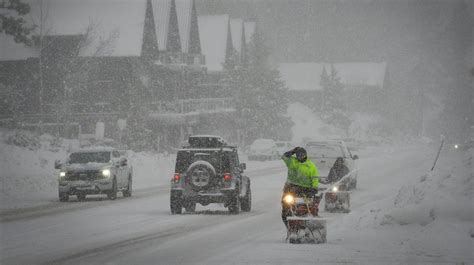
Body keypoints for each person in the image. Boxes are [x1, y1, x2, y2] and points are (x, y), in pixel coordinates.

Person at [281, 146, 319, 227]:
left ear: (306, 155)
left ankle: (308, 222)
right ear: (296, 155)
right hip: (290, 188)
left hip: (305, 189)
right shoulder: (292, 161)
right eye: (298, 155)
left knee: (306, 207)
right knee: (286, 209)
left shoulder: (311, 166)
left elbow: (315, 179)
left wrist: (314, 188)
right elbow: (284, 156)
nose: (301, 157)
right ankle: (290, 228)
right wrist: (292, 151)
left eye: (302, 155)